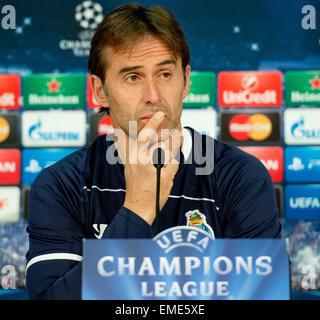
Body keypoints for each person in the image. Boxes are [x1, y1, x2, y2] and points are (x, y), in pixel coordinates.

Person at [25, 3, 282, 300]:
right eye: (132, 77)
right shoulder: (59, 185)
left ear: (185, 80)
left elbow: (267, 296)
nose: (153, 96)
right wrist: (137, 211)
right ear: (99, 90)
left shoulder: (240, 176)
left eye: (164, 74)